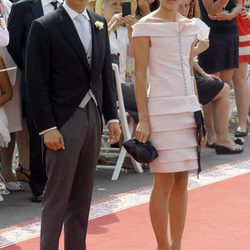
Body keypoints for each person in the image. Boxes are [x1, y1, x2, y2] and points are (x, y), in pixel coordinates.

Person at [26, 0, 121, 248]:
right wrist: (47, 128)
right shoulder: (44, 26)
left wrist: (111, 117)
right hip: (63, 121)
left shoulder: (98, 23)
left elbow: (104, 75)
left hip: (94, 117)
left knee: (82, 198)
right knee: (57, 198)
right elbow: (36, 82)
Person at [132, 1, 206, 249]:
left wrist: (199, 114)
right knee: (163, 180)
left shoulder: (189, 25)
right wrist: (143, 117)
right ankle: (162, 245)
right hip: (161, 109)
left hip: (188, 109)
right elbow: (140, 74)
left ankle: (177, 245)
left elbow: (187, 69)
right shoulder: (144, 26)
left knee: (183, 178)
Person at [7, 0, 63, 202]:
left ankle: (62, 183)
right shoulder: (22, 7)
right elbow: (13, 45)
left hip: (65, 83)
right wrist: (32, 67)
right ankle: (39, 185)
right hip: (34, 81)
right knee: (38, 135)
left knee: (67, 130)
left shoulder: (69, 5)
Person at [198, 0, 244, 152]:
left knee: (224, 85)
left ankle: (222, 136)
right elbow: (211, 11)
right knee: (213, 87)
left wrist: (231, 14)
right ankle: (212, 135)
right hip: (211, 36)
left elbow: (239, 4)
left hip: (231, 32)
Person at [232, 0, 250, 137]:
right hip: (216, 33)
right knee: (219, 80)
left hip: (241, 31)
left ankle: (242, 123)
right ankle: (215, 129)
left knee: (239, 79)